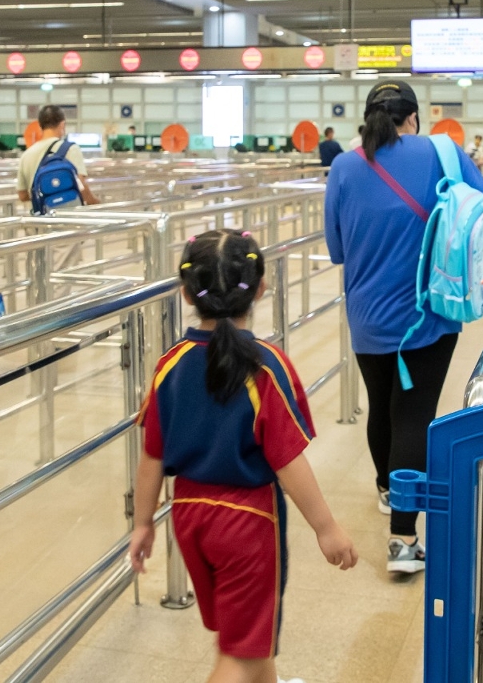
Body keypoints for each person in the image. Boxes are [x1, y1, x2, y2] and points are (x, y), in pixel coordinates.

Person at [129, 229, 356, 683]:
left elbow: (152, 456)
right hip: (247, 523)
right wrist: (326, 528)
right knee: (241, 654)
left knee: (248, 635)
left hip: (190, 515)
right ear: (262, 287)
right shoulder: (264, 365)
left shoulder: (169, 364)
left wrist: (142, 523)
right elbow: (287, 460)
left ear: (185, 293)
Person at [325, 80, 483, 573]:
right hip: (430, 313)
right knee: (414, 415)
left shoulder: (344, 167)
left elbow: (337, 249)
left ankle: (387, 488)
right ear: (414, 117)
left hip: (368, 316)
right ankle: (403, 540)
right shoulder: (444, 153)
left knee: (381, 406)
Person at [16, 104, 99, 210]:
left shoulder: (26, 155)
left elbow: (22, 195)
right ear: (62, 124)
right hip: (69, 214)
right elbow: (81, 186)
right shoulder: (71, 149)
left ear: (40, 126)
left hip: (41, 215)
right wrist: (95, 203)